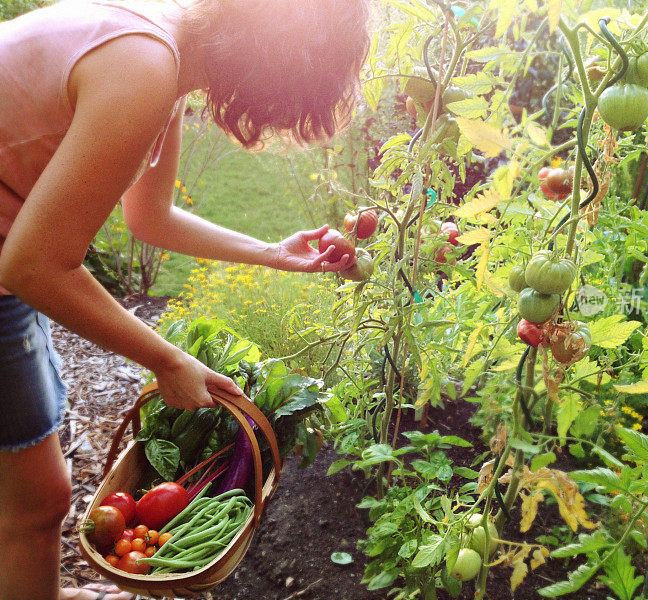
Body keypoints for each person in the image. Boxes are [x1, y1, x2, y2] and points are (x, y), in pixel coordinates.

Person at [0, 0, 370, 598]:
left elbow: (151, 217)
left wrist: (275, 252)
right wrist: (169, 360)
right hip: (11, 267)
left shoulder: (161, 46)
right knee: (37, 504)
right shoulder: (143, 69)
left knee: (31, 498)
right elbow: (34, 265)